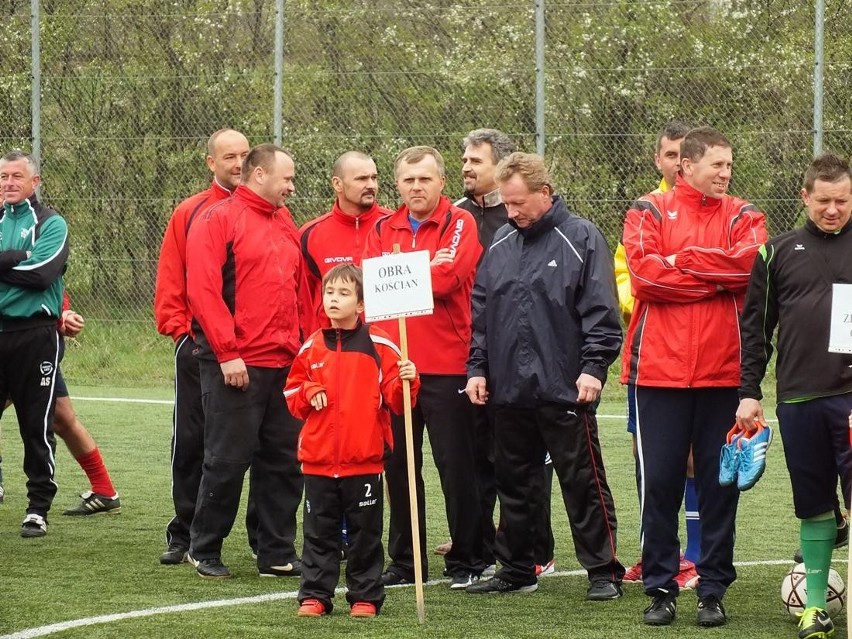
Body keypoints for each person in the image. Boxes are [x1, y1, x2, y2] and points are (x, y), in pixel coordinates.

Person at [621, 126, 767, 626]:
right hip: (657, 374)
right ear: (686, 166)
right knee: (658, 484)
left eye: (730, 166)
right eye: (717, 166)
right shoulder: (647, 211)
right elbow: (643, 278)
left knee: (718, 485)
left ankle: (713, 589)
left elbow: (750, 268)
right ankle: (660, 588)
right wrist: (713, 279)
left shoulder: (746, 215)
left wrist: (683, 262)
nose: (726, 174)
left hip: (724, 374)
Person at [464, 152, 624, 600]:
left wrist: (594, 368)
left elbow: (601, 313)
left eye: (517, 204)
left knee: (583, 481)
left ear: (545, 194)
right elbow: (482, 315)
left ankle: (603, 571)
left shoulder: (582, 237)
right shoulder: (498, 245)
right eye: (506, 204)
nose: (510, 212)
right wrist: (477, 368)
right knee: (514, 482)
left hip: (564, 387)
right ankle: (516, 568)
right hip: (507, 389)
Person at [736, 153, 852, 639]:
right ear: (805, 197)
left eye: (842, 201)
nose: (833, 209)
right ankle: (815, 610)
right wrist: (748, 393)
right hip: (800, 399)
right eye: (823, 201)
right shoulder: (776, 251)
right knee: (814, 504)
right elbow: (756, 331)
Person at [363, 146, 485, 589]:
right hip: (397, 366)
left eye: (425, 179)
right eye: (409, 180)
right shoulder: (382, 226)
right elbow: (374, 288)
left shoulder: (460, 222)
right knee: (398, 467)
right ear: (398, 185)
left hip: (449, 363)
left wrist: (405, 274)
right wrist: (419, 270)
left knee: (456, 466)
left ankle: (469, 559)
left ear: (441, 182)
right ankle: (406, 560)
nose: (417, 187)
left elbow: (450, 277)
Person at [185, 143, 309, 579]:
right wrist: (227, 352)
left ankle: (276, 551)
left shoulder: (285, 222)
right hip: (234, 364)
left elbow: (300, 290)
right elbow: (202, 292)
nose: (292, 187)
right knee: (227, 459)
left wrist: (305, 349)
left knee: (284, 461)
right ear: (260, 175)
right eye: (287, 178)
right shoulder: (217, 219)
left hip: (284, 362)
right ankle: (204, 548)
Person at [284, 264, 420, 618]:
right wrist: (309, 389)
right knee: (318, 534)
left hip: (365, 460)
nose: (334, 299)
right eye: (330, 293)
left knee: (364, 536)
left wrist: (408, 378)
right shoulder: (311, 346)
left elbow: (396, 398)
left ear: (361, 304)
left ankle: (365, 597)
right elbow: (292, 391)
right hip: (318, 461)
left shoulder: (382, 345)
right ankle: (315, 595)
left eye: (344, 294)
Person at [451, 128, 555, 576]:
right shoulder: (454, 217)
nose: (467, 168)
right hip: (471, 361)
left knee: (526, 461)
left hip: (525, 368)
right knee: (478, 458)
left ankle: (536, 546)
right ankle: (482, 541)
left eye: (477, 160)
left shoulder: (526, 222)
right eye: (465, 159)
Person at [154, 128, 253, 565]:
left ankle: (264, 541)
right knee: (192, 438)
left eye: (245, 155)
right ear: (210, 162)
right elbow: (173, 278)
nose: (238, 163)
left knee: (251, 446)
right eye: (229, 156)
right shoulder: (191, 211)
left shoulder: (269, 210)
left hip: (252, 351)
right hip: (197, 347)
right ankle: (184, 530)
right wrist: (180, 331)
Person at [616, 121, 700, 589]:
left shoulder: (720, 211)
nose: (677, 163)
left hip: (703, 356)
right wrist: (690, 278)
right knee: (649, 457)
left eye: (684, 155)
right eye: (669, 155)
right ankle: (656, 552)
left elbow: (732, 280)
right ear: (660, 160)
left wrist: (672, 273)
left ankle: (698, 553)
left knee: (695, 458)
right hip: (650, 357)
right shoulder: (643, 211)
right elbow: (631, 287)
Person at [0, 151, 69, 537]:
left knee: (35, 423)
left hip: (36, 335)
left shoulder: (51, 223)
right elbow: (25, 266)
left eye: (16, 176)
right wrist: (18, 258)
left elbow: (41, 273)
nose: (9, 183)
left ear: (35, 181)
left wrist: (15, 262)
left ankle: (37, 507)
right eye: (3, 177)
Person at [0, 299, 120, 515]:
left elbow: (50, 284)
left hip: (31, 344)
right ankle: (104, 491)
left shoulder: (39, 264)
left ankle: (103, 491)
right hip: (23, 340)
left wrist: (63, 314)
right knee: (62, 418)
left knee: (60, 418)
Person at [299, 151, 392, 324]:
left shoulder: (395, 226)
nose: (371, 185)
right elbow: (303, 299)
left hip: (384, 341)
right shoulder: (310, 234)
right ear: (337, 184)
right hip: (332, 344)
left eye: (374, 178)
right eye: (362, 179)